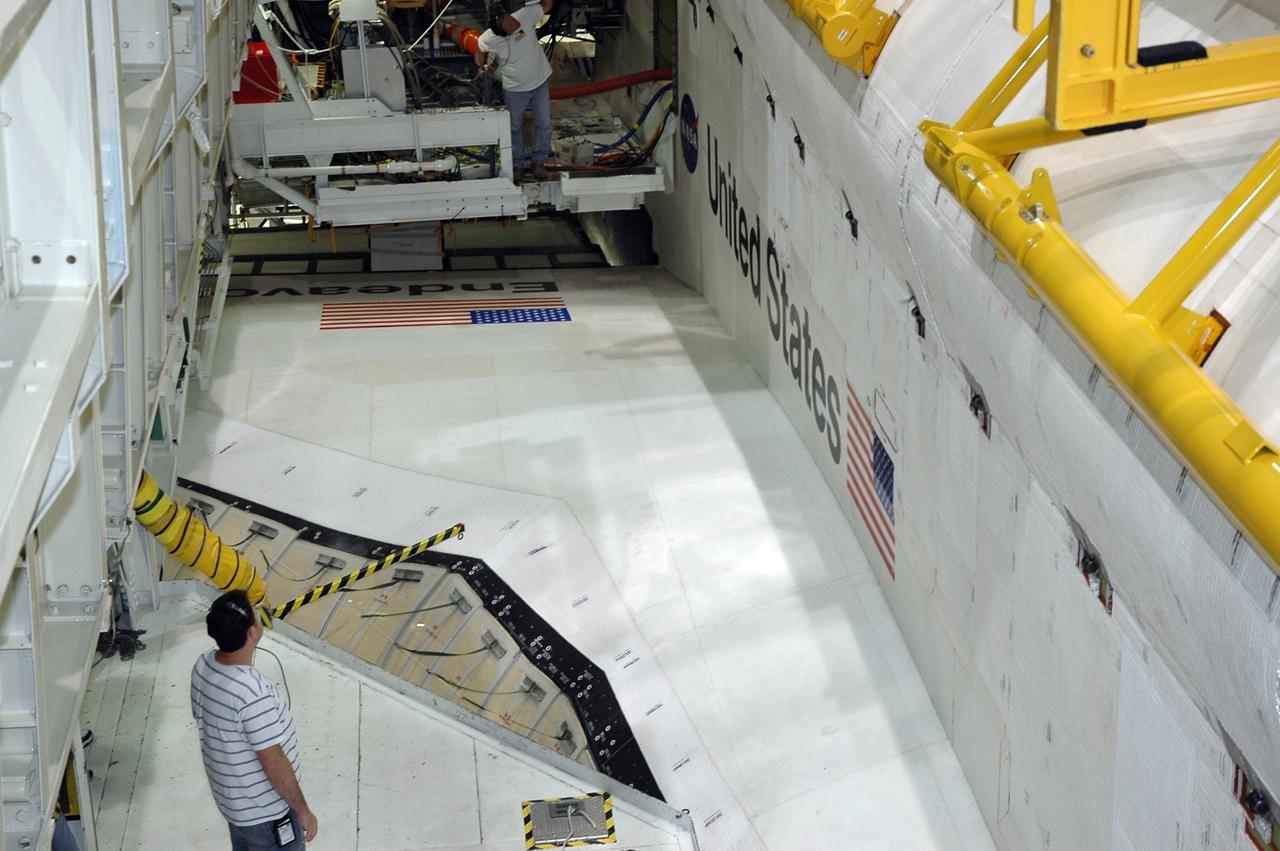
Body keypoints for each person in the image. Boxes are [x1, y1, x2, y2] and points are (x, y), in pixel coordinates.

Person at [191, 590, 318, 850]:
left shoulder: (203, 665)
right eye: (255, 612)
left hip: (235, 806)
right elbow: (273, 761)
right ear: (251, 632)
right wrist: (303, 811)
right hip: (267, 815)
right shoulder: (252, 694)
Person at [476, 0, 558, 177]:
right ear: (503, 34)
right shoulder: (489, 38)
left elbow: (547, 6)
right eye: (511, 25)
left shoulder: (524, 15)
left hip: (539, 83)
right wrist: (483, 65)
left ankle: (539, 162)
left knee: (544, 124)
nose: (516, 23)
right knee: (514, 127)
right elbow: (480, 49)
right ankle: (517, 164)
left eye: (510, 19)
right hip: (515, 89)